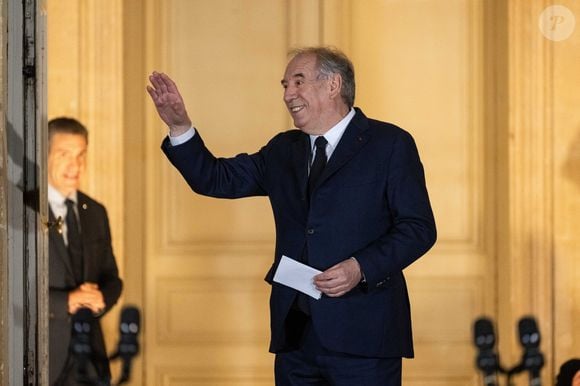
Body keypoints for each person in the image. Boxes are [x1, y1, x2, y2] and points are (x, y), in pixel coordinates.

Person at [147, 46, 436, 386]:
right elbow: (215, 178)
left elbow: (418, 228)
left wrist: (360, 267)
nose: (288, 94)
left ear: (333, 85)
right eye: (284, 85)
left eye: (298, 82)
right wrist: (180, 125)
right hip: (296, 339)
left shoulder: (389, 144)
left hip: (365, 337)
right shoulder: (284, 149)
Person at [48, 117, 123, 385]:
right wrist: (66, 301)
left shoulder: (96, 212)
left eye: (81, 155)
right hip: (41, 358)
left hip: (91, 361)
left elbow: (113, 279)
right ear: (44, 156)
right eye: (64, 154)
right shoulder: (21, 211)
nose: (75, 165)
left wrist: (100, 298)